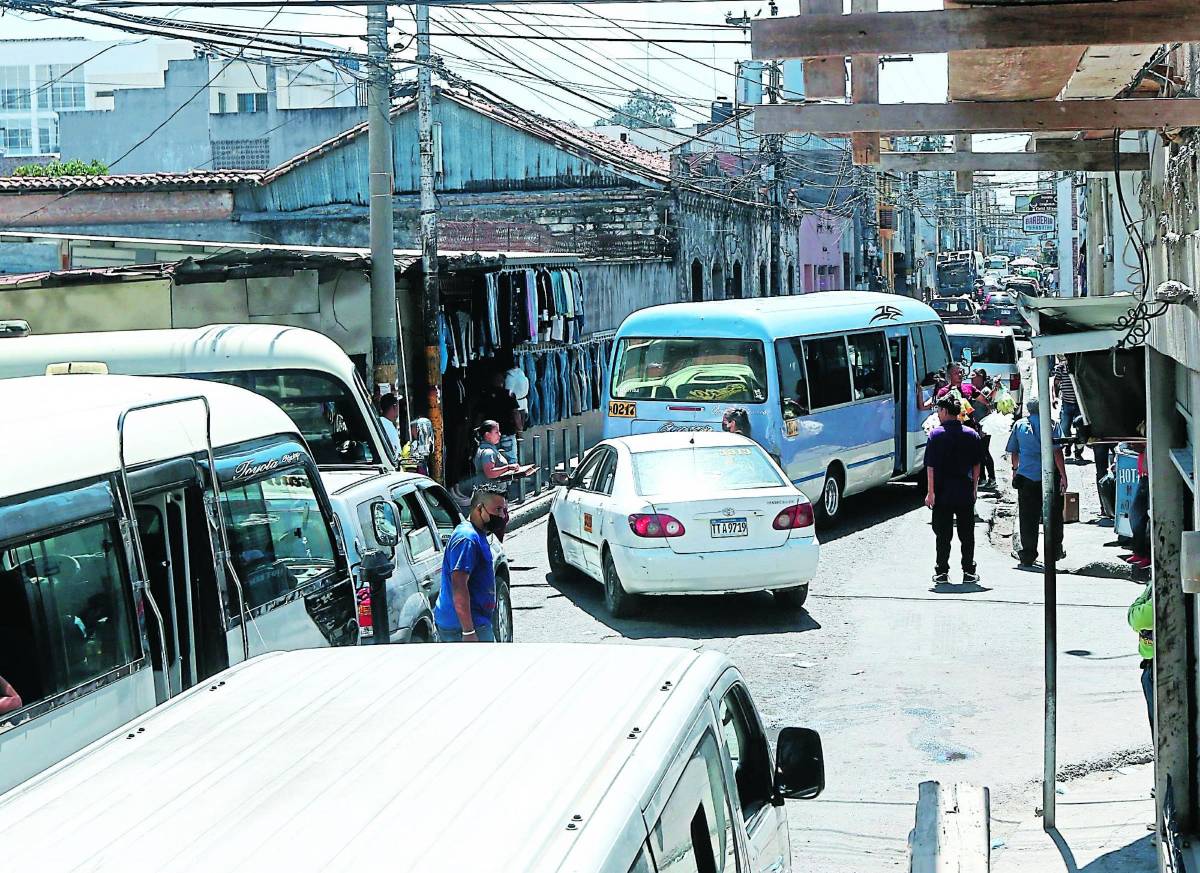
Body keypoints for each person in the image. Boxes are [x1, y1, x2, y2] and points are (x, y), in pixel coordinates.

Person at [434, 486, 507, 642]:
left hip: (475, 621)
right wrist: (468, 631)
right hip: (463, 626)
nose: (502, 515)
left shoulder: (477, 534)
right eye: (498, 509)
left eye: (504, 510)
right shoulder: (467, 539)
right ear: (480, 509)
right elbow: (459, 585)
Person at [924, 396, 983, 584]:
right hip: (964, 490)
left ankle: (941, 571)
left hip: (942, 492)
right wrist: (974, 488)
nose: (938, 414)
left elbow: (930, 467)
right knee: (967, 534)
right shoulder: (971, 434)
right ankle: (969, 571)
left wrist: (930, 492)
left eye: (939, 410)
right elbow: (976, 466)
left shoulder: (936, 435)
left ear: (944, 411)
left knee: (942, 535)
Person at [1005, 397, 1068, 568]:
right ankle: (1054, 552)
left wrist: (1015, 470)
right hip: (1048, 476)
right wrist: (1063, 475)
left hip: (1026, 477)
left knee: (1027, 517)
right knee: (1053, 515)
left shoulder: (1019, 425)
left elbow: (1014, 451)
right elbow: (1057, 452)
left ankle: (1028, 554)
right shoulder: (1052, 425)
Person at [1128, 582, 1154, 733]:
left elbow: (1139, 619)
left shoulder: (1165, 579)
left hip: (1160, 668)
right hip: (1151, 666)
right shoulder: (1153, 582)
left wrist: (1137, 606)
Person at [474, 420, 536, 485]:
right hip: (490, 493)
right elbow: (490, 473)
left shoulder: (485, 448)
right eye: (496, 432)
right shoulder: (488, 452)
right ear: (487, 434)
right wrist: (508, 468)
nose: (500, 434)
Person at [478, 371, 522, 459]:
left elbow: (480, 415)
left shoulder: (485, 395)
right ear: (503, 381)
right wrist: (519, 427)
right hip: (507, 432)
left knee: (492, 461)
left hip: (491, 434)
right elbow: (515, 413)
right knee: (511, 460)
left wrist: (478, 430)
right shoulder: (509, 394)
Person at [969, 370, 997, 488]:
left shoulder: (985, 391)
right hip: (976, 426)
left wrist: (983, 429)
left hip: (984, 427)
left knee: (984, 452)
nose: (971, 378)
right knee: (978, 453)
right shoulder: (974, 390)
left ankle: (992, 478)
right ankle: (982, 478)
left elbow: (989, 409)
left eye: (974, 376)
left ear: (981, 377)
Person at [1053, 355, 1082, 461]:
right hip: (1067, 403)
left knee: (1081, 429)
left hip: (1080, 404)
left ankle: (1078, 452)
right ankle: (1068, 445)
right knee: (1064, 428)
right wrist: (1054, 398)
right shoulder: (1061, 368)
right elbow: (1055, 383)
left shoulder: (1080, 367)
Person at [378, 393, 403, 457]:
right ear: (394, 406)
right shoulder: (387, 426)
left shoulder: (381, 422)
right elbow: (397, 454)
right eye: (398, 406)